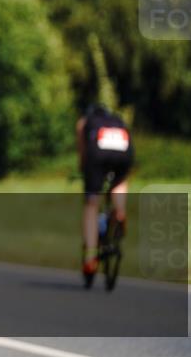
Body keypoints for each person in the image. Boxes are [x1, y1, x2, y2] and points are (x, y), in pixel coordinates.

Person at [76, 103, 134, 282]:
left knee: (91, 205)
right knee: (120, 181)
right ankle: (119, 211)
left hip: (97, 153)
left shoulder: (85, 121)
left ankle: (90, 257)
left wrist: (83, 168)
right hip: (124, 153)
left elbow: (83, 152)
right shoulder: (117, 120)